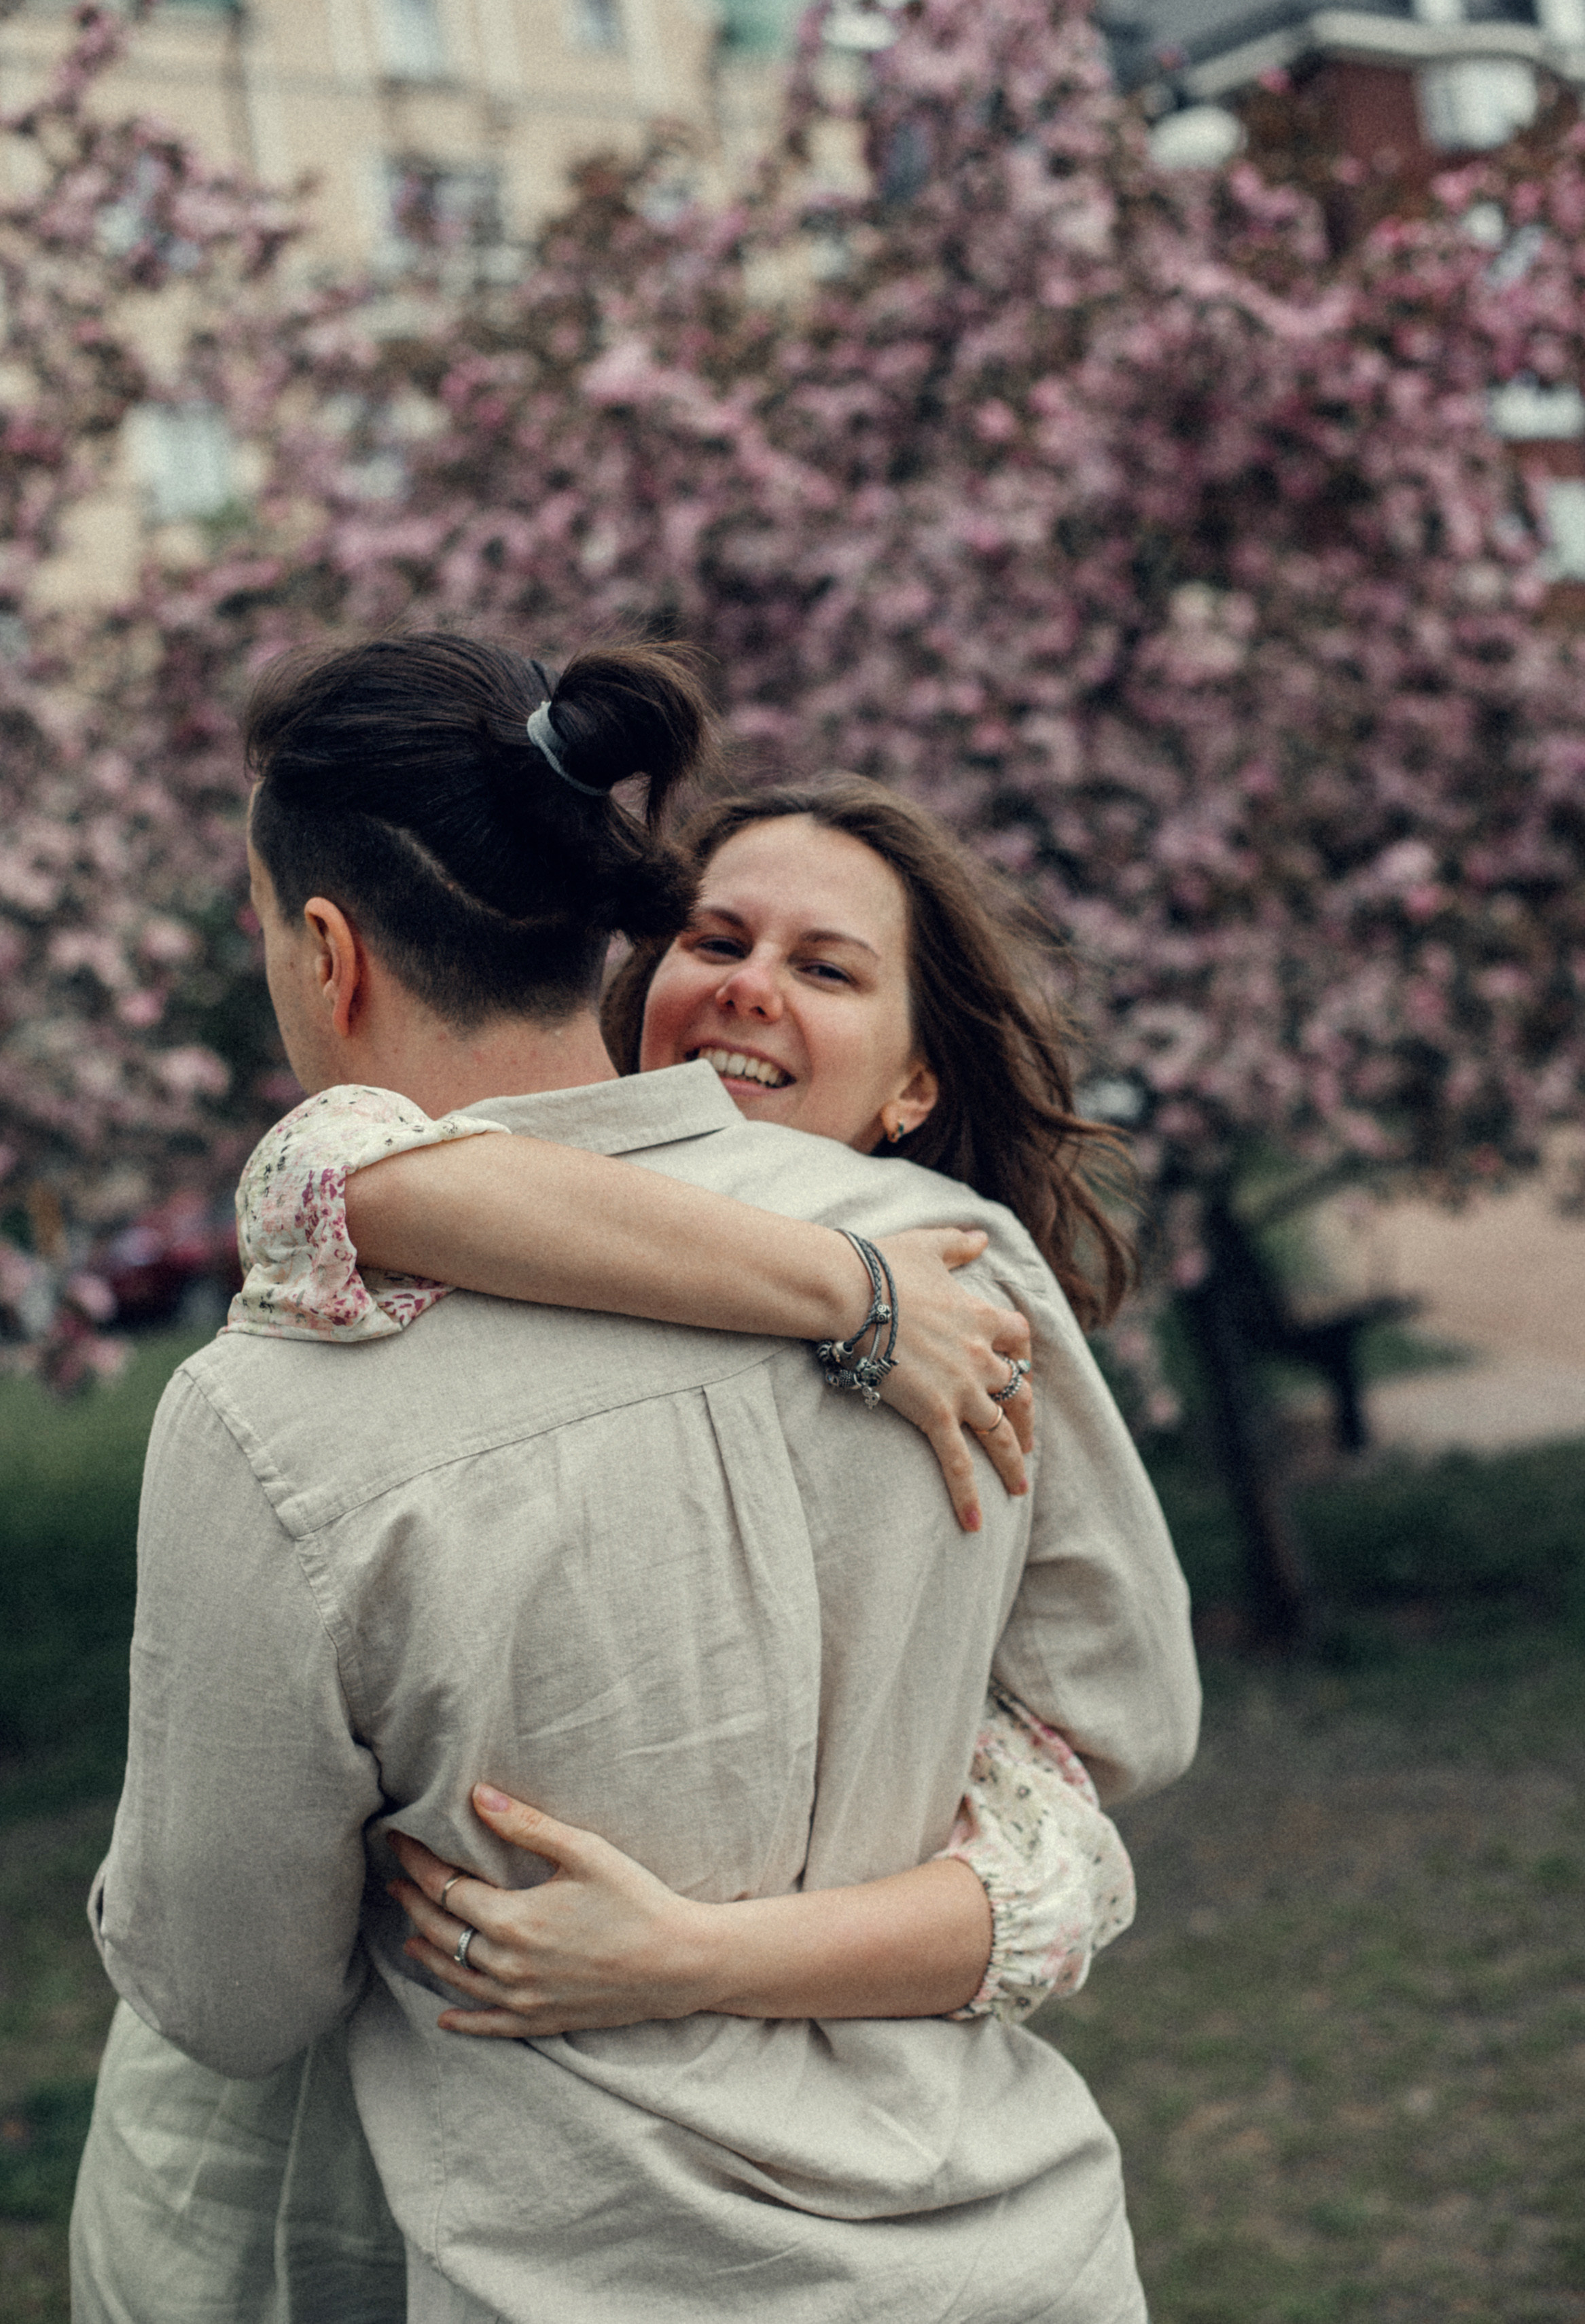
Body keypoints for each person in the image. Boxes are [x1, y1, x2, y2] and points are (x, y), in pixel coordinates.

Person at [76, 634, 1198, 2323]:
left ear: (327, 948)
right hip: (1002, 2243)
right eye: (724, 939)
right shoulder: (964, 1273)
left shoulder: (280, 1400)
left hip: (556, 2259)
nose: (755, 987)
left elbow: (227, 1990)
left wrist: (701, 1938)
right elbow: (1126, 1706)